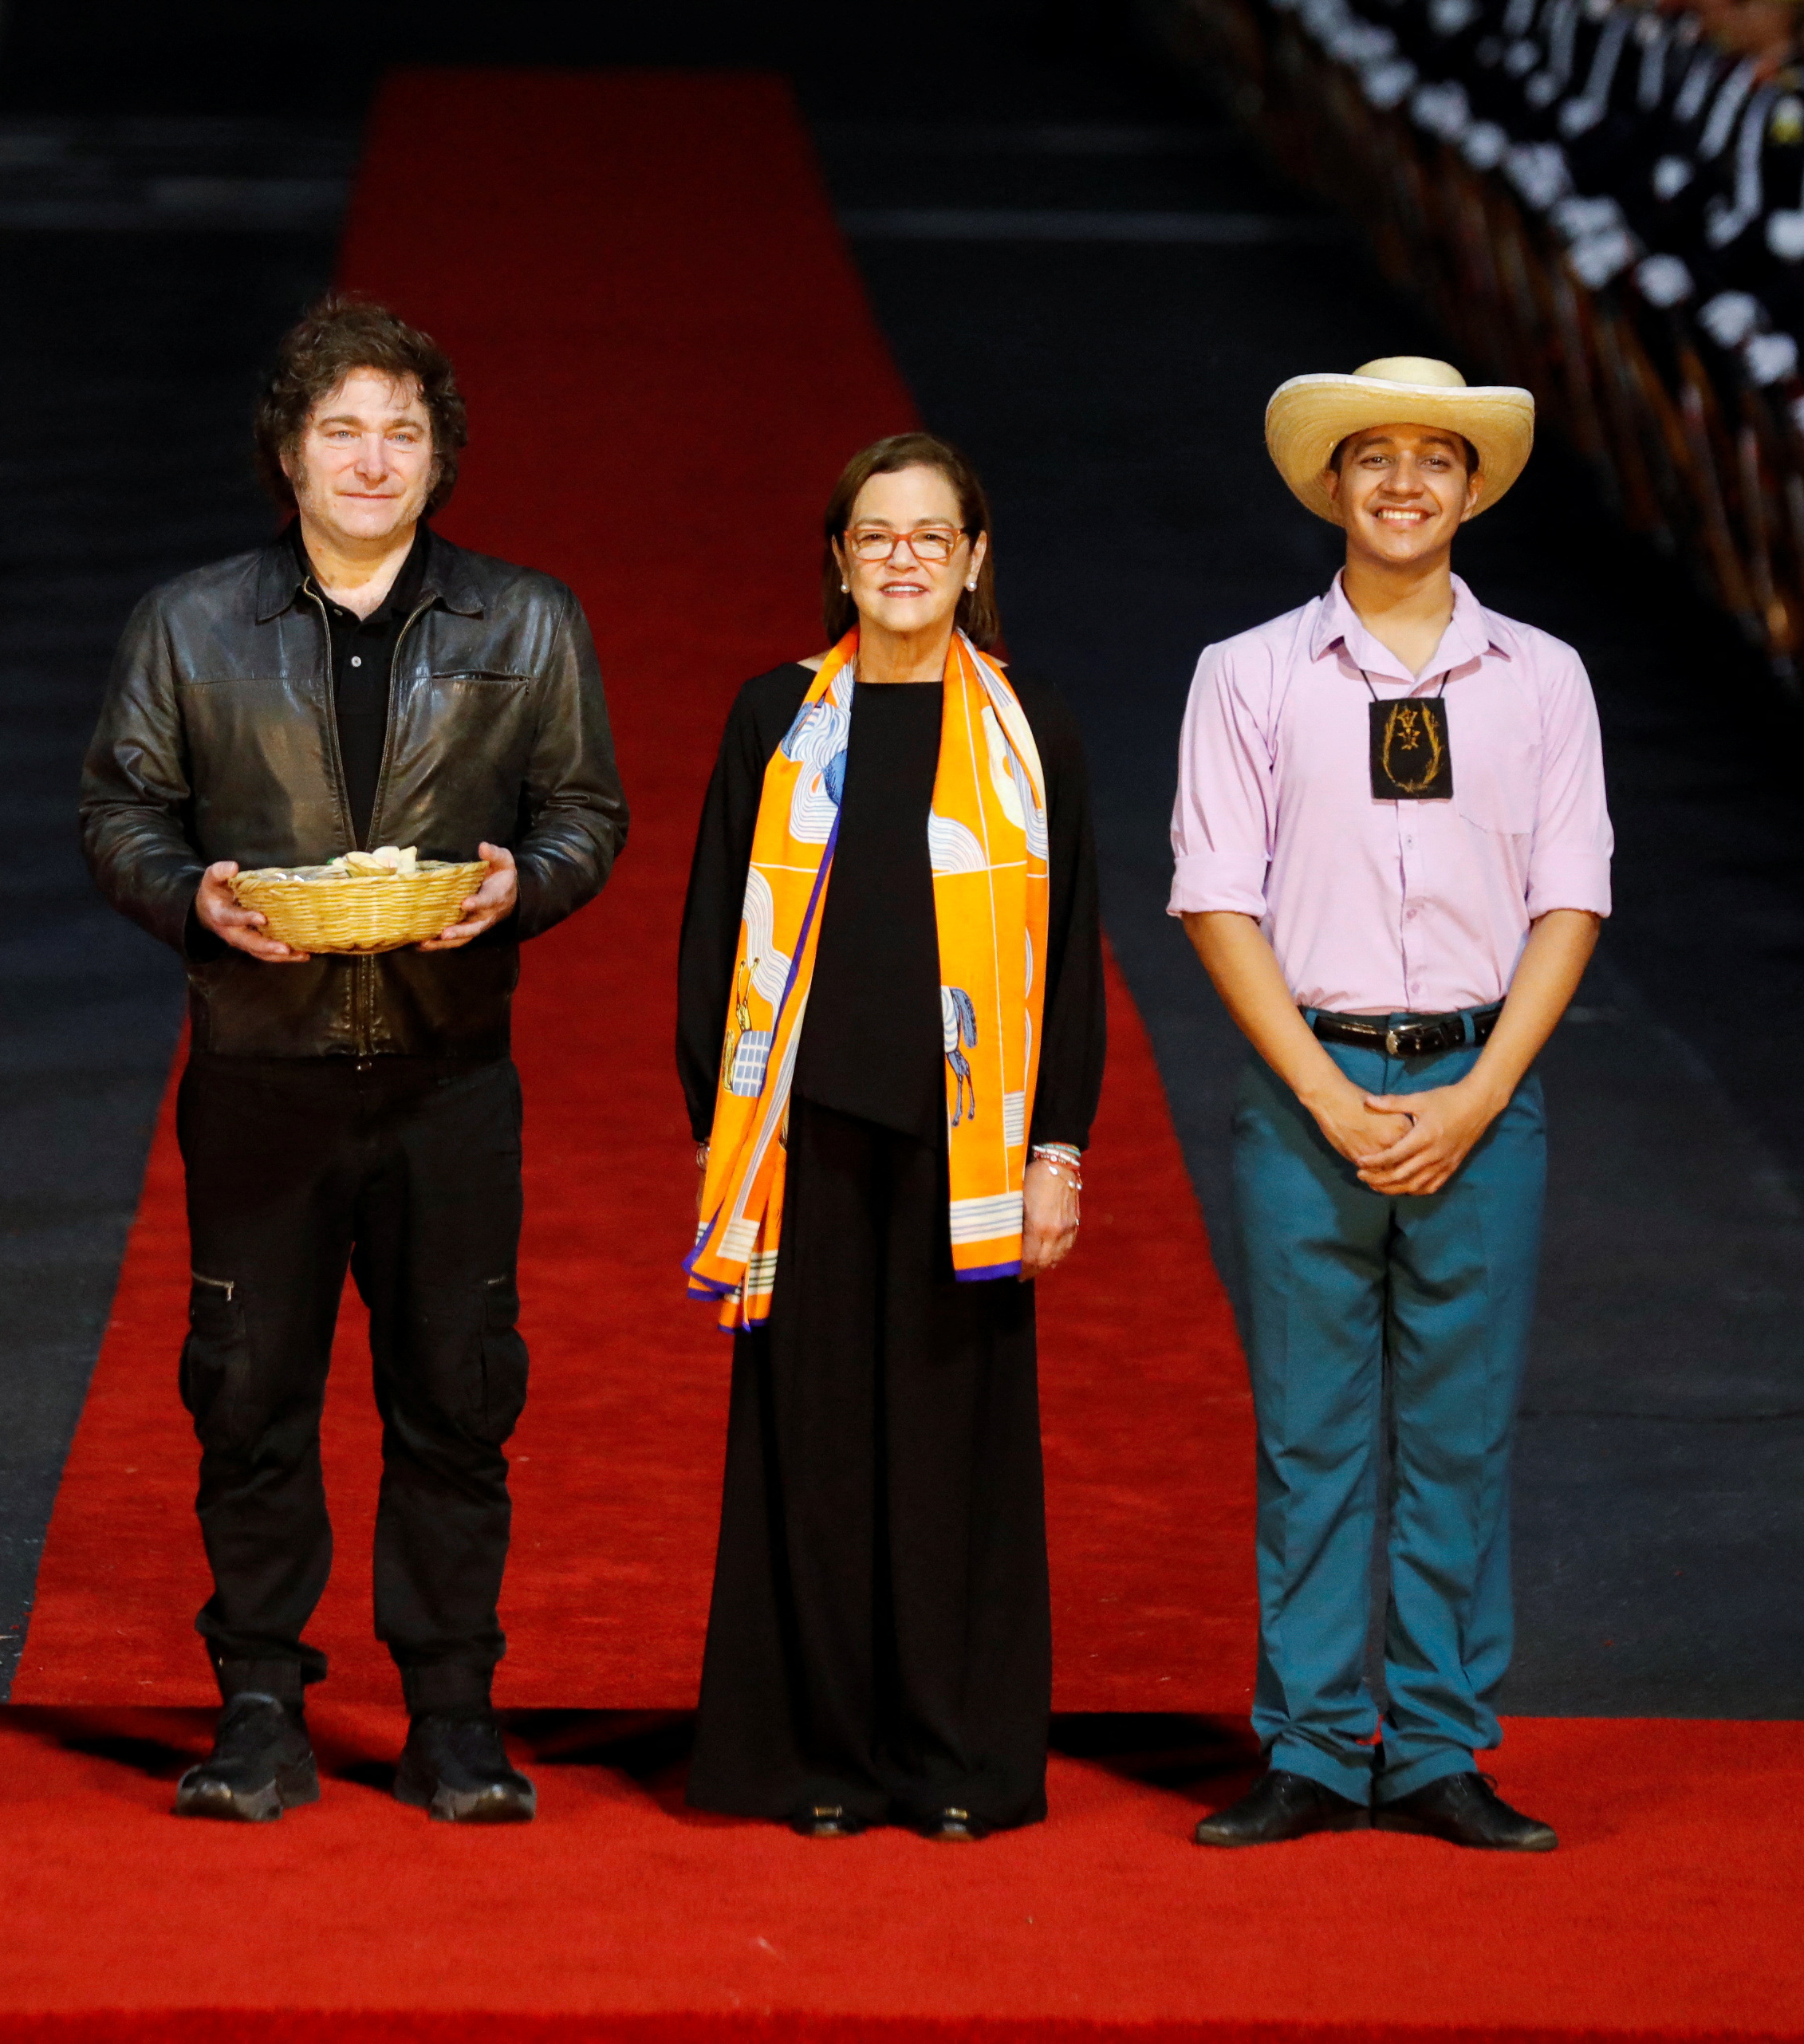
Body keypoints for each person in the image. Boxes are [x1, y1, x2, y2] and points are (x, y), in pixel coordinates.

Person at [80, 293, 627, 1825]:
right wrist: (192, 896)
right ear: (287, 451)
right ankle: (259, 1703)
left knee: (458, 1394)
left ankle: (452, 1713)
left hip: (453, 1078)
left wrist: (531, 880)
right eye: (342, 431)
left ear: (440, 453)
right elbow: (118, 812)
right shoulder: (189, 624)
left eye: (402, 431)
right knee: (246, 1392)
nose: (372, 459)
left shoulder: (525, 621)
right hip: (259, 1072)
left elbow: (586, 811)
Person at [1174, 358, 1610, 1853]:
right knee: (1309, 1433)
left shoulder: (1542, 677)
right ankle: (1302, 1744)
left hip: (1482, 1086)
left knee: (1459, 1432)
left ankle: (1431, 1745)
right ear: (1331, 485)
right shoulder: (1248, 673)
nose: (1405, 484)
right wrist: (1328, 1092)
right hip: (1309, 1091)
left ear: (1471, 489)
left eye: (1437, 459)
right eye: (1376, 459)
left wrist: (1481, 1092)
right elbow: (1214, 900)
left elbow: (1570, 901)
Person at [676, 432, 1104, 1841]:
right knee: (810, 1452)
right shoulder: (772, 717)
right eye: (877, 535)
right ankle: (822, 1760)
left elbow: (1074, 955)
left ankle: (955, 1761)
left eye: (932, 534)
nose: (904, 557)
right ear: (841, 560)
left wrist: (1056, 1154)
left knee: (951, 1464)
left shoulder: (1031, 728)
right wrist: (713, 1139)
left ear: (974, 559)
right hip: (805, 1146)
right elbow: (706, 945)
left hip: (966, 1154)